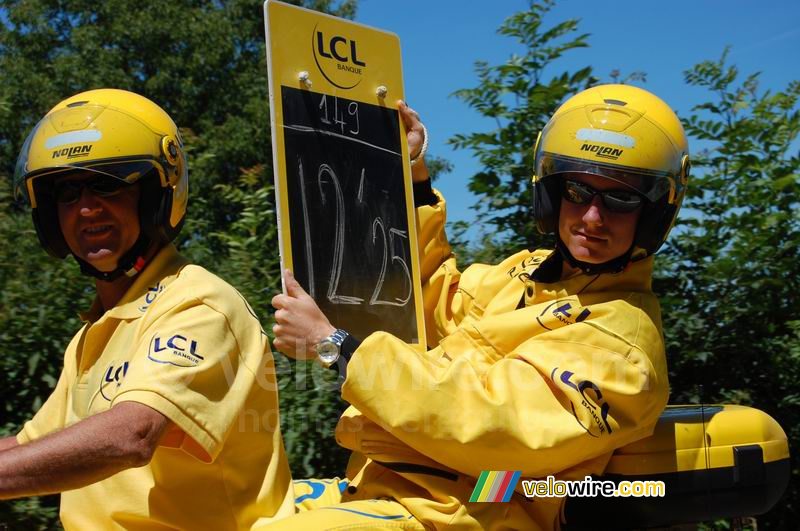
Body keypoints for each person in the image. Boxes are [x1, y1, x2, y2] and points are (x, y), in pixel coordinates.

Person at [268, 84, 690, 529]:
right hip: (391, 485)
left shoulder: (623, 349)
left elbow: (488, 421)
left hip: (473, 513)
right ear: (551, 192)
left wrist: (335, 346)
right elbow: (433, 300)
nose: (591, 218)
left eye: (621, 198)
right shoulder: (528, 274)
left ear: (656, 213)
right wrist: (410, 176)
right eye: (578, 192)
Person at [2, 89, 294, 529]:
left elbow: (131, 435)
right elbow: (30, 445)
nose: (85, 208)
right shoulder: (95, 332)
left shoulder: (197, 304)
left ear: (156, 196)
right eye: (65, 192)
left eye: (108, 184)